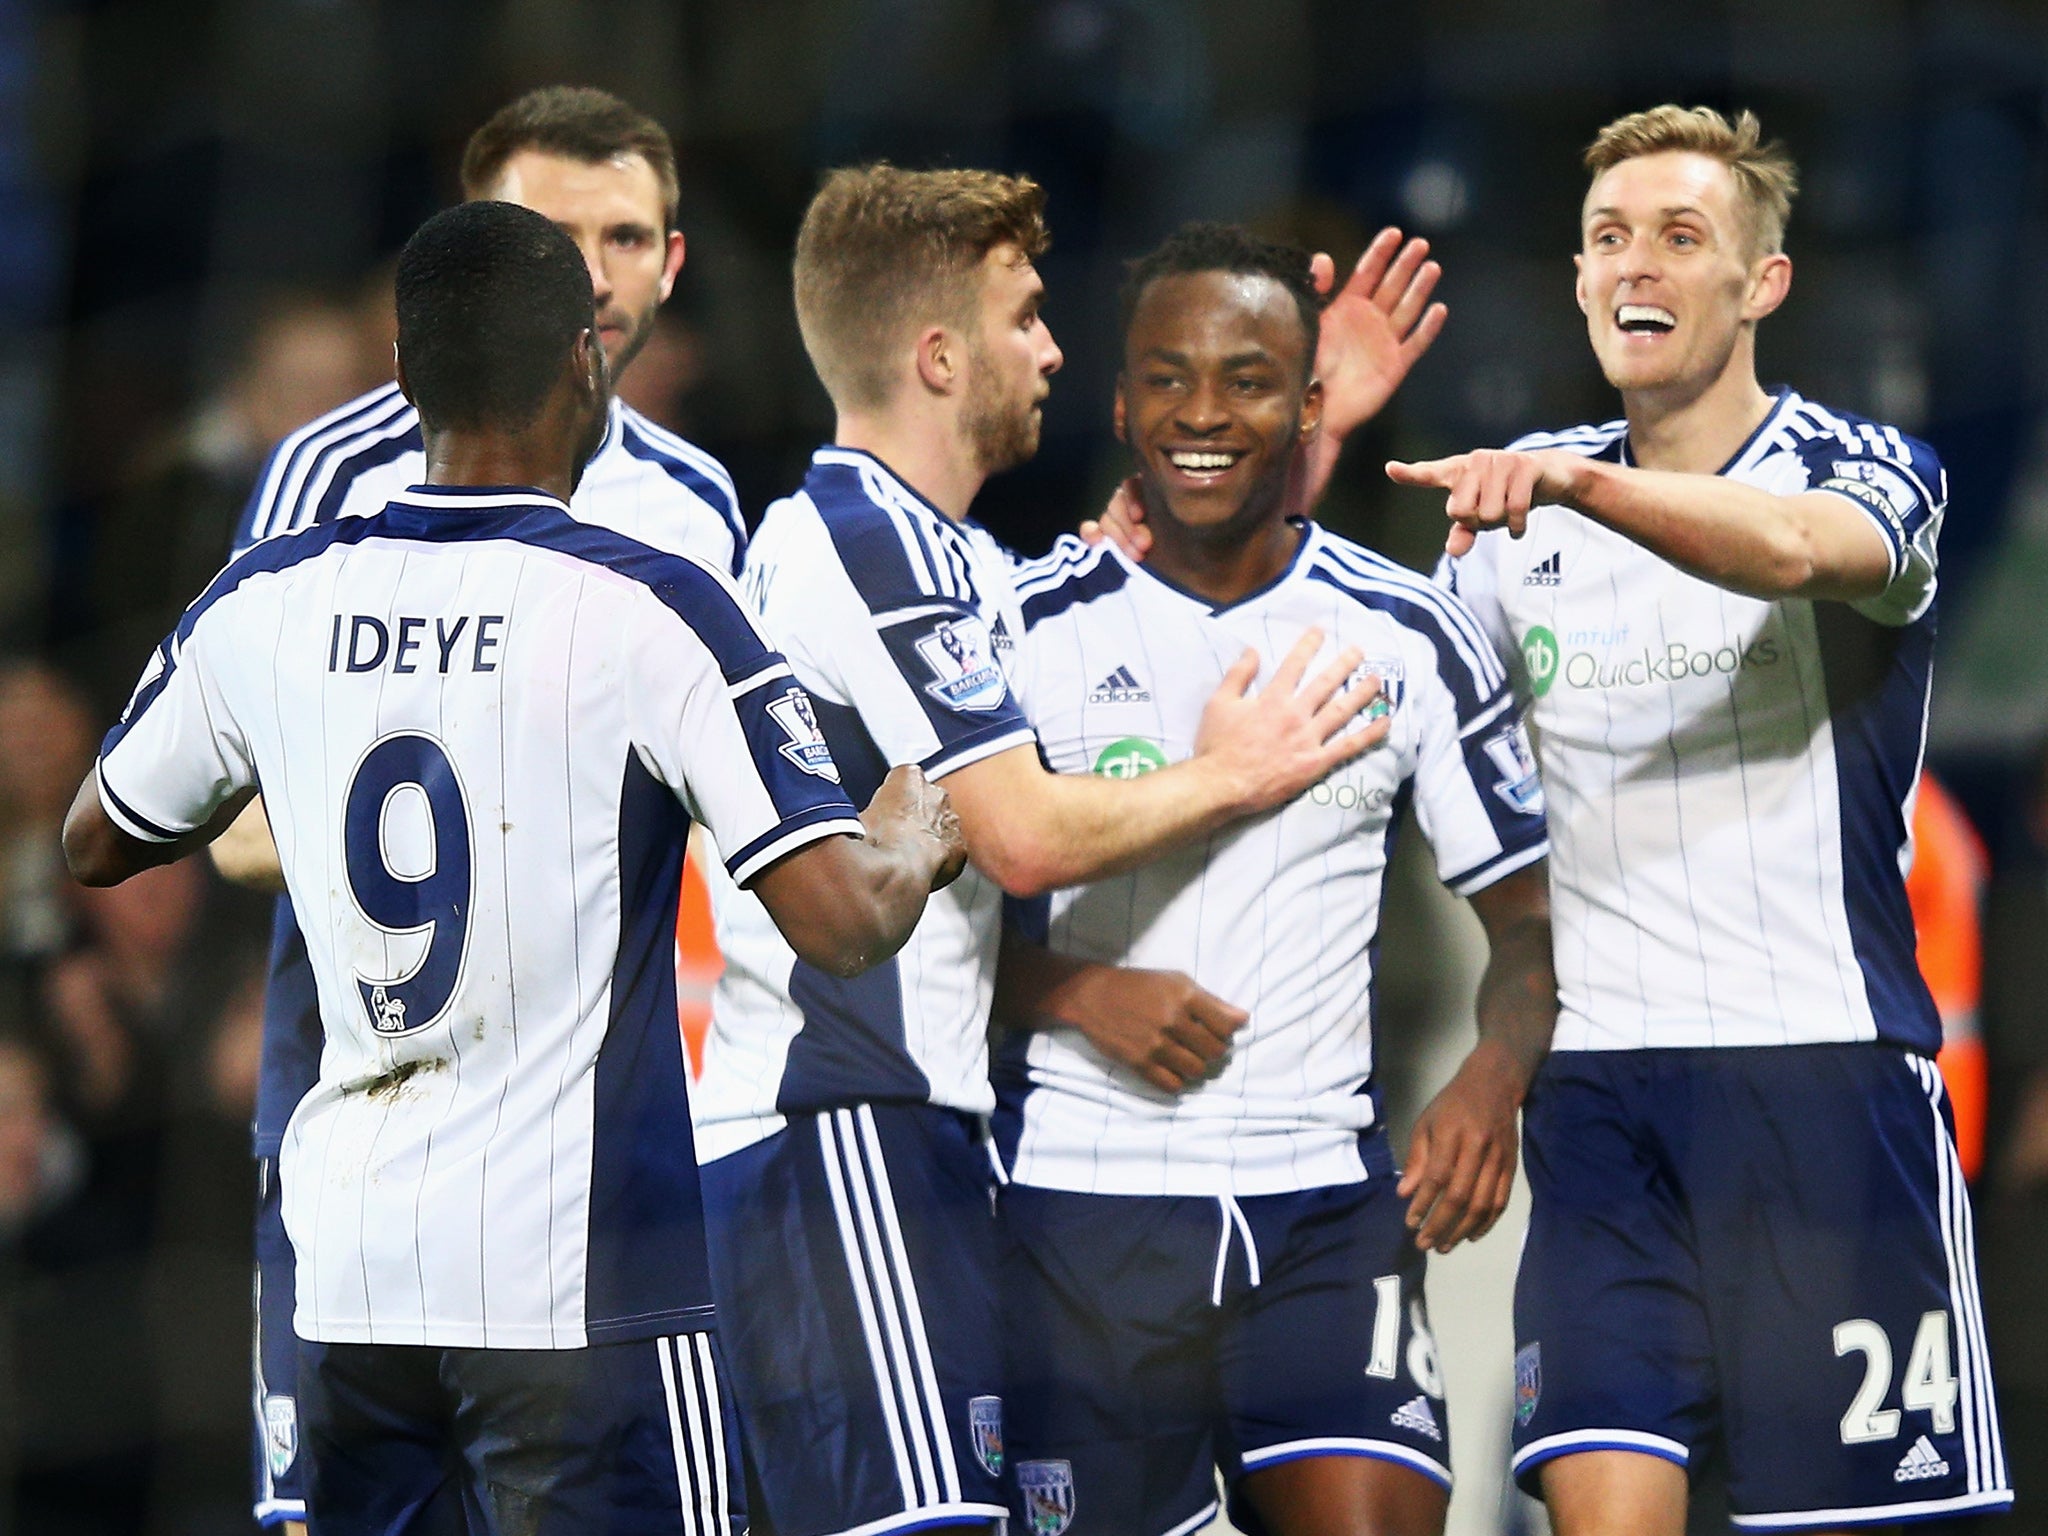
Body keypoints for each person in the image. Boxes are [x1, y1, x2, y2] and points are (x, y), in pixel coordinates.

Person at [61, 199, 966, 1536]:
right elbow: (839, 925)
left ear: (406, 375)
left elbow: (97, 835)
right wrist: (917, 830)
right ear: (586, 363)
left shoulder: (270, 598)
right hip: (578, 1289)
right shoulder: (654, 606)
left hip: (347, 1282)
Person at [691, 165, 1387, 1536]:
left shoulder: (938, 561)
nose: (1053, 349)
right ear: (939, 356)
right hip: (839, 1138)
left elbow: (1118, 612)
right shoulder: (861, 542)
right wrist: (1230, 777)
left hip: (906, 1140)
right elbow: (1016, 836)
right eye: (1024, 317)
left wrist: (1305, 442)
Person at [1374, 106, 2007, 1534]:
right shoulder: (1504, 527)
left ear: (1761, 283)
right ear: (1581, 283)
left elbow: (1794, 551)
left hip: (1826, 1100)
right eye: (1608, 240)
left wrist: (1584, 484)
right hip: (1598, 1113)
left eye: (1680, 236)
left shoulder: (1869, 472)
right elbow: (1412, 745)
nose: (1635, 266)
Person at [206, 84, 749, 1534]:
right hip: (360, 1118)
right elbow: (233, 820)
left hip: (593, 1175)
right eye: (550, 234)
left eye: (625, 235)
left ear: (671, 264)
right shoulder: (330, 472)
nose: (591, 271)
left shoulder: (698, 509)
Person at [987, 222, 1554, 1536]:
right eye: (1168, 377)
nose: (1201, 412)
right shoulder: (1023, 629)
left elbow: (1526, 929)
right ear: (1120, 401)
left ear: (1306, 408)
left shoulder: (1409, 633)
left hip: (1321, 1212)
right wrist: (1073, 994)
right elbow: (896, 931)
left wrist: (1491, 1077)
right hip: (1082, 1216)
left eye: (1246, 379)